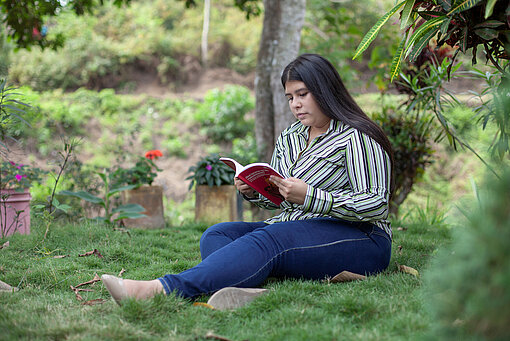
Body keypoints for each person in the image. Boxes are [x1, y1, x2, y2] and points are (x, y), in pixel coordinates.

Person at [102, 53, 394, 309]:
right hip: (294, 228)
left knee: (271, 240)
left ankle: (159, 289)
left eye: (303, 94)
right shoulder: (291, 136)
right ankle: (244, 291)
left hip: (362, 239)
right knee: (216, 235)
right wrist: (253, 190)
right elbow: (279, 198)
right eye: (290, 97)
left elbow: (377, 204)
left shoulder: (356, 137)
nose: (295, 104)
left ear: (324, 89)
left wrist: (310, 196)